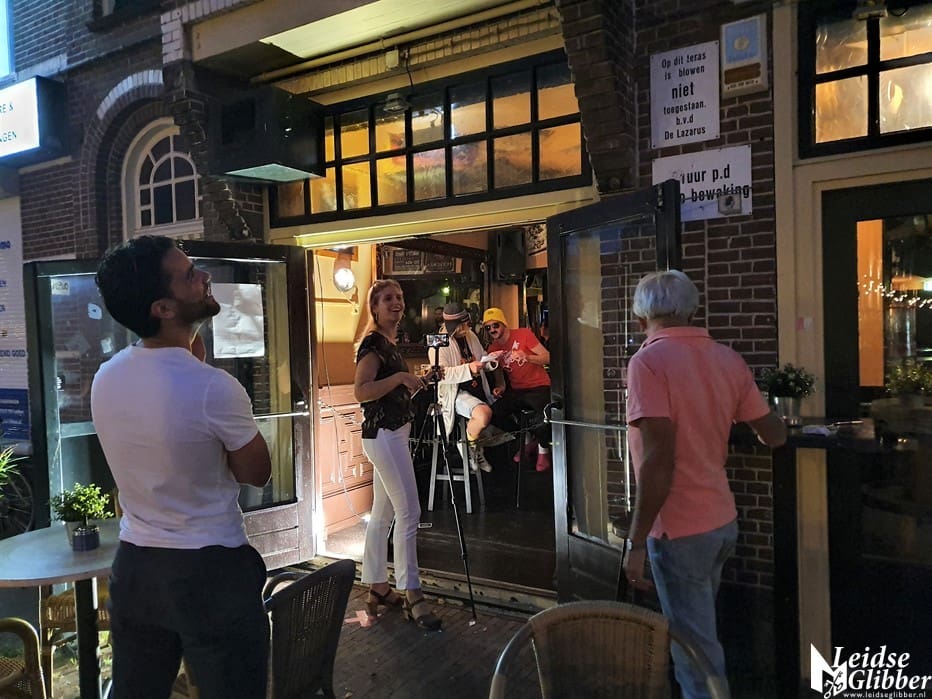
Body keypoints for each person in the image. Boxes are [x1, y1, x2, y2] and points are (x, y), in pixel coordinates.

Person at [91, 235, 272, 699]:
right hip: (209, 571)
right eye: (190, 275)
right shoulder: (215, 388)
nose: (204, 276)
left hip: (135, 567)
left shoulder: (106, 377)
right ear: (163, 308)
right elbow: (257, 472)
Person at [621, 270, 787, 699]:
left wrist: (635, 543)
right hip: (722, 519)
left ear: (641, 317)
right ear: (692, 311)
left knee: (694, 655)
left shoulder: (647, 363)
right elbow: (774, 434)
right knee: (701, 635)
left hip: (678, 530)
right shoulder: (727, 358)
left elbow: (659, 460)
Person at [354, 279, 442, 631]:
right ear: (374, 307)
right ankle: (412, 592)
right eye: (388, 298)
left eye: (400, 298)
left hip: (392, 434)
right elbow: (362, 391)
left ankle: (377, 584)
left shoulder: (389, 343)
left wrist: (412, 381)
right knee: (410, 511)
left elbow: (389, 390)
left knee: (384, 513)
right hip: (384, 436)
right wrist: (401, 378)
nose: (397, 303)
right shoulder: (373, 344)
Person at [484, 307, 553, 472]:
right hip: (517, 390)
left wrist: (527, 357)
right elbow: (499, 374)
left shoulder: (523, 334)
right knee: (493, 414)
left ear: (503, 323)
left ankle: (543, 450)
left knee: (542, 417)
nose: (492, 329)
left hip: (539, 386)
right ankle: (526, 439)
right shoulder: (493, 349)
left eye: (495, 325)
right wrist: (500, 387)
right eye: (488, 327)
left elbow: (548, 357)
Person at [436, 302, 498, 472]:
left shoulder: (470, 336)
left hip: (477, 388)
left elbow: (481, 357)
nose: (467, 327)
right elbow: (442, 374)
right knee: (484, 415)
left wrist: (490, 361)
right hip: (455, 392)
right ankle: (469, 446)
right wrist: (468, 368)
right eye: (463, 325)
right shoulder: (440, 342)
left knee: (502, 414)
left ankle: (474, 444)